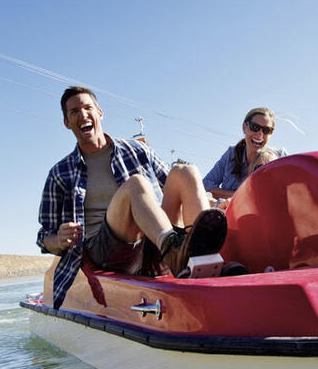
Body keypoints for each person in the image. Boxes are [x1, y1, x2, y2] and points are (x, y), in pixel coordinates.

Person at [38, 86, 227, 309]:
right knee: (136, 184)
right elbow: (44, 238)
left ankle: (203, 259)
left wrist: (214, 203)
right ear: (67, 123)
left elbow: (173, 185)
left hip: (152, 239)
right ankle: (175, 254)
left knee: (185, 171)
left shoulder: (136, 150)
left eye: (88, 108)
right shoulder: (59, 173)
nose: (83, 115)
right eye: (74, 112)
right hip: (108, 251)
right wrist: (59, 240)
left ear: (100, 113)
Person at [203, 107, 286, 205]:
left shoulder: (278, 158)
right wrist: (238, 197)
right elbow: (205, 185)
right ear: (244, 127)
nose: (260, 135)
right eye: (255, 127)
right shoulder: (231, 154)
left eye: (266, 130)